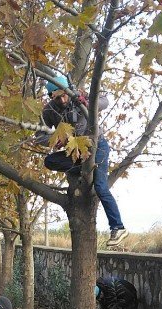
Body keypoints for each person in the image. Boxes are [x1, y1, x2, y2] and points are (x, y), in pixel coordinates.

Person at [35, 75, 128, 247]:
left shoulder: (79, 96)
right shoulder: (48, 111)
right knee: (50, 161)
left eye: (64, 95)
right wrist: (54, 140)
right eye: (57, 97)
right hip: (75, 152)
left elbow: (104, 101)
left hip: (96, 148)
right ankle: (81, 170)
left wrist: (86, 102)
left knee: (100, 187)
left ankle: (118, 227)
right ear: (51, 97)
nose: (62, 99)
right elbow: (39, 136)